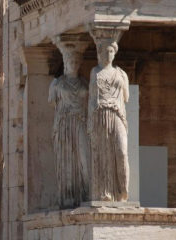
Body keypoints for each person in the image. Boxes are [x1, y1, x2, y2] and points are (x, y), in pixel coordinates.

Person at [48, 44, 90, 208]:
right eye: (70, 60)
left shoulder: (85, 83)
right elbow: (52, 103)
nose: (73, 63)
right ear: (65, 62)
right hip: (64, 124)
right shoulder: (57, 84)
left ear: (79, 64)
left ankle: (85, 193)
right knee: (66, 159)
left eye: (75, 61)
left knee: (83, 158)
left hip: (81, 122)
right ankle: (67, 197)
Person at [88, 40, 129, 202]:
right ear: (99, 53)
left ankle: (123, 191)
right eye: (105, 51)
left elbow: (126, 97)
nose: (108, 55)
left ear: (115, 53)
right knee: (103, 153)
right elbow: (92, 99)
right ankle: (105, 193)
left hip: (118, 114)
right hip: (100, 115)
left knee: (121, 151)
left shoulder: (121, 73)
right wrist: (90, 123)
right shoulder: (95, 72)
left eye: (111, 51)